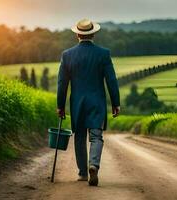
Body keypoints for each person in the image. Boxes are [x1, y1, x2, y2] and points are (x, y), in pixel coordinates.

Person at [56, 19, 120, 186]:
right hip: (97, 101)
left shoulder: (67, 55)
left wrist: (60, 106)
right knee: (96, 136)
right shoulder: (103, 54)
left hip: (78, 103)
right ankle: (94, 164)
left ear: (77, 34)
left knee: (79, 137)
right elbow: (111, 80)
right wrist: (115, 103)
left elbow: (62, 83)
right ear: (93, 34)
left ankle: (83, 173)